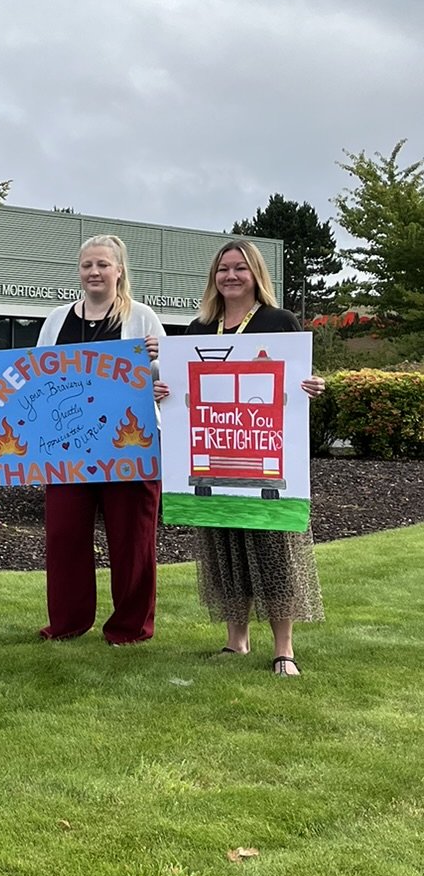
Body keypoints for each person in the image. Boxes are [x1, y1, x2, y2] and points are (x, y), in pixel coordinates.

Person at [0, 234, 166, 644]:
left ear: (119, 270)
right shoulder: (57, 319)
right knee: (64, 538)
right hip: (65, 450)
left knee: (132, 540)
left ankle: (130, 628)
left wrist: (157, 361)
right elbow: (31, 377)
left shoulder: (142, 318)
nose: (94, 272)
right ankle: (68, 622)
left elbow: (166, 378)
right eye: (87, 265)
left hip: (128, 447)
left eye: (103, 265)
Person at [171, 239, 325, 676]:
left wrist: (312, 386)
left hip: (264, 450)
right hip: (215, 453)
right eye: (223, 269)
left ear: (256, 273)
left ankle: (284, 650)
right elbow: (182, 389)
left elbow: (297, 379)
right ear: (213, 277)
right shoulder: (200, 328)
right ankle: (236, 641)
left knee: (273, 553)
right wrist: (165, 392)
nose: (231, 276)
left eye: (240, 268)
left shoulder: (280, 321)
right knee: (225, 550)